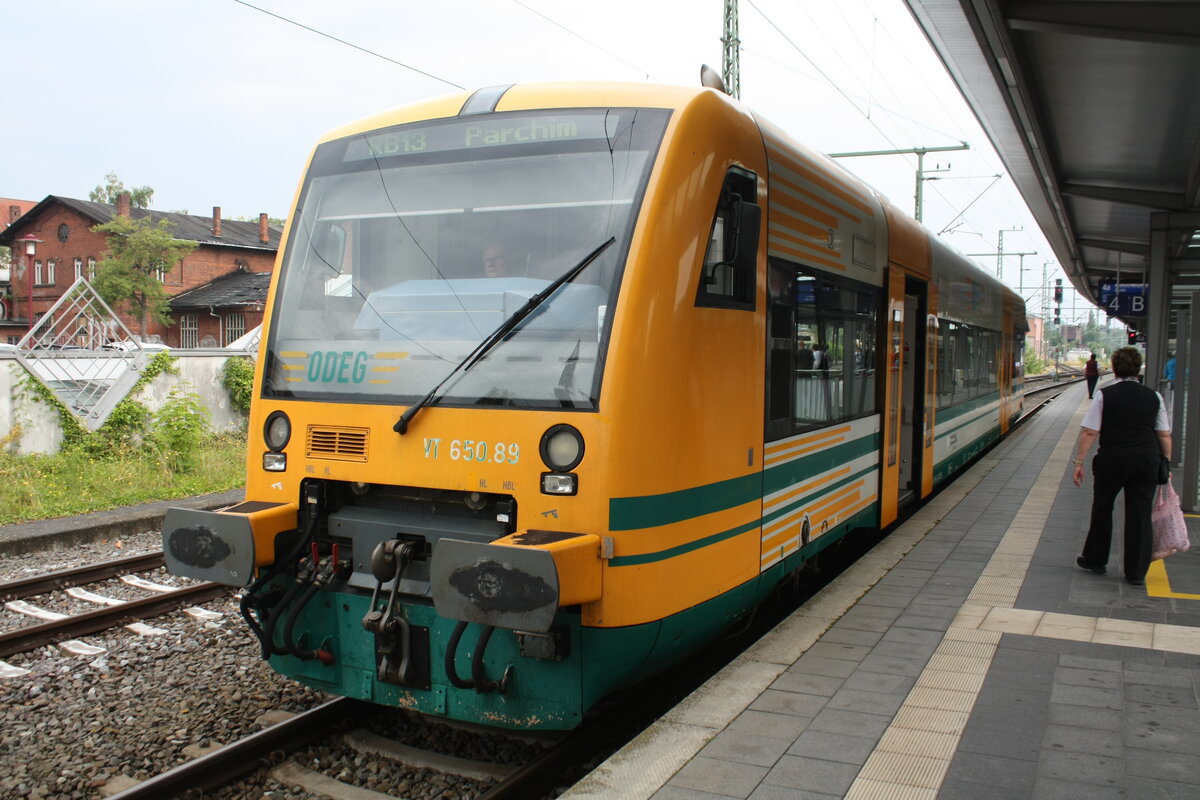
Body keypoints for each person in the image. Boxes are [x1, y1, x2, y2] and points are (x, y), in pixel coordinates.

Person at [1071, 346, 1172, 586]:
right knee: (1140, 515)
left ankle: (1096, 559)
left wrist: (1079, 462)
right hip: (1146, 460)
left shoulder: (1105, 395)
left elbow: (1089, 432)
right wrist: (1165, 462)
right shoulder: (1154, 396)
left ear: (1114, 368)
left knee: (1103, 508)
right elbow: (1164, 434)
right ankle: (1136, 572)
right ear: (1138, 369)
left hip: (1113, 459)